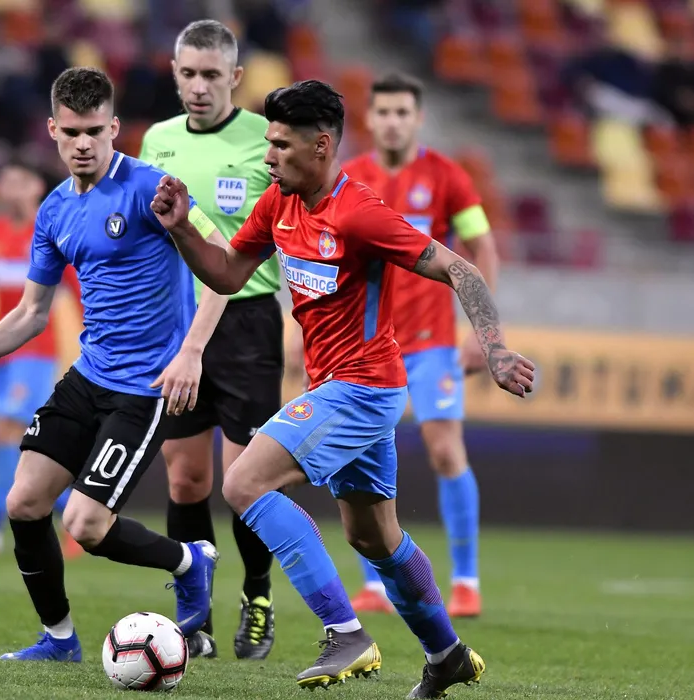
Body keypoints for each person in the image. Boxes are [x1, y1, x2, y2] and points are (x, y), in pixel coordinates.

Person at [149, 80, 535, 696]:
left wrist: (494, 348)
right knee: (374, 536)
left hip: (363, 387)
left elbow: (459, 266)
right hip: (341, 386)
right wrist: (182, 232)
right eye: (268, 143)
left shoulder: (360, 213)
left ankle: (345, 632)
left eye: (280, 145)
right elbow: (227, 273)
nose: (268, 156)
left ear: (321, 145)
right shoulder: (278, 202)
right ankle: (446, 654)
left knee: (244, 482)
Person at [0, 67, 223, 662]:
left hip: (147, 387)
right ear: (52, 131)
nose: (83, 144)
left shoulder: (154, 188)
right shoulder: (54, 210)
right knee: (24, 504)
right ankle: (59, 640)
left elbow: (222, 267)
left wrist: (191, 352)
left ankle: (190, 560)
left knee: (85, 525)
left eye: (95, 131)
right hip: (89, 376)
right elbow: (32, 313)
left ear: (113, 128)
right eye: (72, 132)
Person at [138, 19, 284, 661]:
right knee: (186, 478)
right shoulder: (158, 141)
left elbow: (257, 244)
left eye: (211, 75)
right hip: (179, 324)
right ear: (175, 74)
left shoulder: (265, 141)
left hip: (246, 324)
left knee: (245, 481)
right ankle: (193, 615)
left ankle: (257, 594)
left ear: (236, 77)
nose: (198, 86)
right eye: (188, 74)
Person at [342, 72, 500, 618]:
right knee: (357, 455)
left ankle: (466, 582)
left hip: (432, 341)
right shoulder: (350, 178)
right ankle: (373, 585)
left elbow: (482, 246)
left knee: (445, 450)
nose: (392, 122)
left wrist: (483, 331)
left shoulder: (447, 177)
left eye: (402, 112)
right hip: (365, 343)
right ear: (370, 118)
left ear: (418, 118)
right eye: (383, 112)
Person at [0, 159, 84, 561]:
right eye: (4, 180)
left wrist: (93, 329)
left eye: (18, 180)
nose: (8, 187)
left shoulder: (50, 231)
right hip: (1, 351)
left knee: (10, 433)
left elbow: (76, 286)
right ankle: (75, 516)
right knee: (13, 439)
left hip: (35, 350)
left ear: (36, 187)